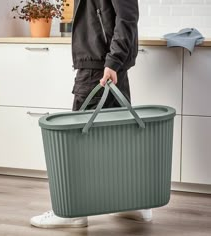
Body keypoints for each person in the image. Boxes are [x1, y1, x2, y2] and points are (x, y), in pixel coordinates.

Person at [30, 0, 152, 228]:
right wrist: (115, 62)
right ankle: (133, 203)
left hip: (99, 64)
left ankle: (72, 211)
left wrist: (113, 61)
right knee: (118, 138)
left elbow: (127, 16)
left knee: (78, 144)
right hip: (108, 63)